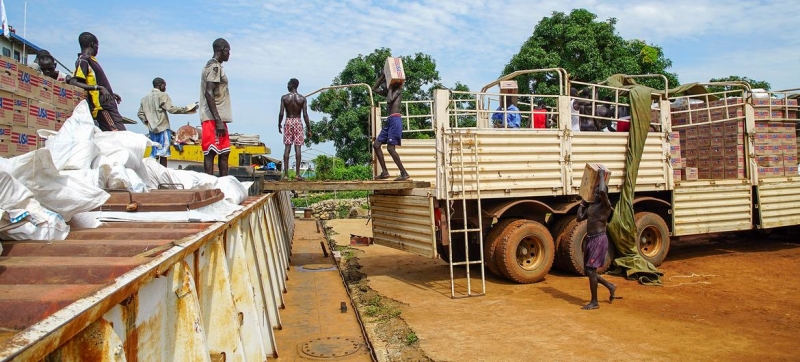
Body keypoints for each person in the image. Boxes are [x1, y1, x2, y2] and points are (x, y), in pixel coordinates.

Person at [576, 168, 618, 310]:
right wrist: (582, 202)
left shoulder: (605, 206)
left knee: (591, 271)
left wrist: (601, 176)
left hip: (599, 240)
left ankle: (595, 302)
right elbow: (579, 218)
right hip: (590, 239)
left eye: (597, 191)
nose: (595, 193)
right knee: (587, 271)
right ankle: (610, 286)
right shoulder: (592, 207)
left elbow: (601, 191)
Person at [69, 32, 126, 132]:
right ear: (92, 44)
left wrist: (110, 93)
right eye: (97, 46)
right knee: (119, 134)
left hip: (108, 104)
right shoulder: (84, 60)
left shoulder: (92, 61)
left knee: (117, 134)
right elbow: (74, 82)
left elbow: (96, 81)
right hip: (102, 107)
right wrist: (99, 88)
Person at [137, 77, 197, 167]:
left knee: (154, 153)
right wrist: (187, 109)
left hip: (152, 130)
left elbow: (140, 114)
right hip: (163, 128)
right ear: (159, 85)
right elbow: (171, 109)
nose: (165, 88)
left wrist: (148, 122)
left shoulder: (144, 99)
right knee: (164, 154)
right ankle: (163, 174)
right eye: (164, 85)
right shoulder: (163, 95)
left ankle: (153, 173)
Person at [199, 38, 233, 176]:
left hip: (217, 117)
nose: (229, 55)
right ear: (223, 49)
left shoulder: (213, 66)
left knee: (224, 152)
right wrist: (218, 120)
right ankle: (212, 185)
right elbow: (209, 93)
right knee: (212, 152)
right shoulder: (214, 68)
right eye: (228, 51)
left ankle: (224, 184)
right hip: (213, 117)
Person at [372, 71, 409, 181]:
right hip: (389, 121)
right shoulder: (389, 91)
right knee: (376, 145)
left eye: (385, 83)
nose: (383, 85)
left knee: (390, 148)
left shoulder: (397, 91)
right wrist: (383, 75)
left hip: (395, 120)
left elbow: (389, 100)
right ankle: (385, 172)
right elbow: (374, 88)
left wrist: (391, 87)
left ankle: (404, 173)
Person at [278, 78, 312, 181]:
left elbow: (281, 113)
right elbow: (305, 115)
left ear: (292, 85)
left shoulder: (284, 98)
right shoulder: (302, 99)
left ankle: (286, 175)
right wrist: (309, 129)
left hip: (288, 121)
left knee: (287, 147)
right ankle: (297, 174)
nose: (287, 86)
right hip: (298, 122)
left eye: (288, 85)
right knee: (298, 148)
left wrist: (279, 123)